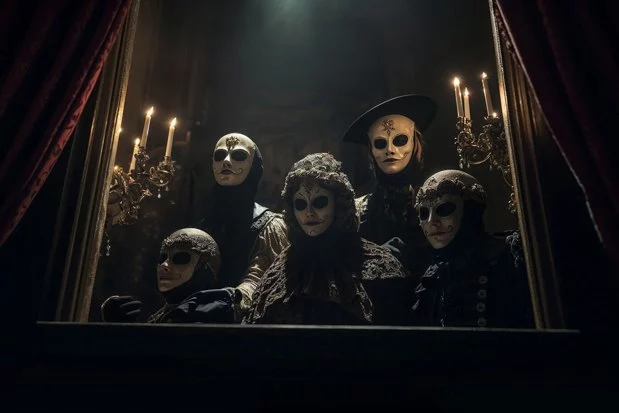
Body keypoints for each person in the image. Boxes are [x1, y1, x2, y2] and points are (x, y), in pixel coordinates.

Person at [244, 153, 413, 325]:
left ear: (338, 203)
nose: (309, 213)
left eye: (320, 202)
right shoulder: (281, 270)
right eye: (300, 204)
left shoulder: (378, 267)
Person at [411, 170, 535, 328]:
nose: (431, 222)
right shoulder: (435, 276)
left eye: (444, 209)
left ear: (471, 211)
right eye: (423, 213)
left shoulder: (510, 254)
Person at [342, 94, 438, 281]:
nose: (390, 150)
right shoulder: (358, 211)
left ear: (414, 143)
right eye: (380, 143)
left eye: (400, 140)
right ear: (371, 149)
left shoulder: (437, 200)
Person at [195, 132, 289, 320]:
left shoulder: (270, 227)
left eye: (238, 155)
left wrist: (232, 301)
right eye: (220, 155)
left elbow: (264, 277)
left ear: (253, 166)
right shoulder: (203, 227)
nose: (226, 162)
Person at [100, 228, 235, 323]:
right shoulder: (163, 314)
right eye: (163, 258)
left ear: (204, 268)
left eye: (180, 258)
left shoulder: (205, 313)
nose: (164, 265)